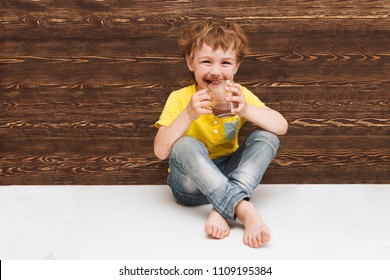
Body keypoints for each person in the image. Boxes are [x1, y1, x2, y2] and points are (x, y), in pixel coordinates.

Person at [154, 19, 288, 248]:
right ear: (190, 62)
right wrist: (187, 114)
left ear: (236, 67)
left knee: (268, 137)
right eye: (206, 61)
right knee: (184, 145)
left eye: (225, 63)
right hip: (190, 187)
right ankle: (243, 208)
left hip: (229, 177)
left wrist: (245, 109)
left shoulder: (239, 95)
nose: (216, 72)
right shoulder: (180, 98)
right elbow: (160, 151)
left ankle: (222, 207)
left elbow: (281, 126)